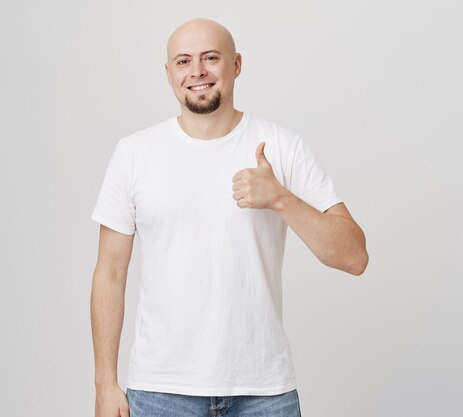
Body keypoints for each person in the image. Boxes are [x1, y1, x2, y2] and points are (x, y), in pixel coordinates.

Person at [90, 17, 368, 417]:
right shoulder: (134, 153)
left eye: (211, 58)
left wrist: (280, 199)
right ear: (169, 74)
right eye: (184, 61)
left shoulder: (282, 147)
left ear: (236, 65)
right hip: (161, 390)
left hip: (263, 392)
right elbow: (110, 273)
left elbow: (353, 256)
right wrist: (104, 384)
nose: (198, 72)